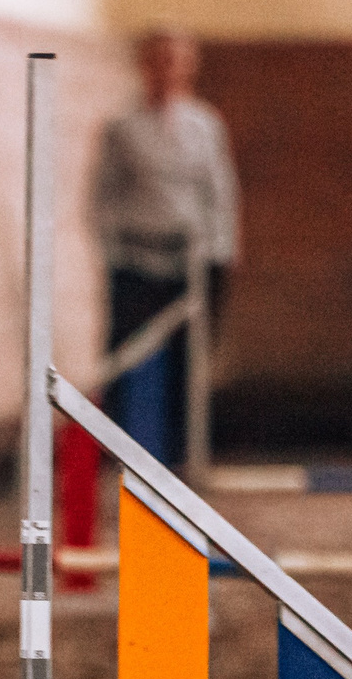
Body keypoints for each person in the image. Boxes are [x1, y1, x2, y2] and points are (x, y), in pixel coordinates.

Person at [87, 27, 239, 470]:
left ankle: (183, 455)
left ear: (189, 66)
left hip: (190, 259)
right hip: (135, 258)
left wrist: (221, 249)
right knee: (124, 354)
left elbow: (219, 191)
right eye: (158, 59)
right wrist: (112, 246)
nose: (167, 69)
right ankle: (116, 450)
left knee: (189, 360)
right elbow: (103, 194)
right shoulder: (122, 126)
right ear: (143, 65)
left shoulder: (205, 125)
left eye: (176, 59)